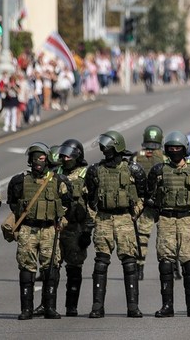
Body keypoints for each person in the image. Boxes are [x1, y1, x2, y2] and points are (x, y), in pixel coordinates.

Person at [6, 142, 73, 320]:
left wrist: (61, 221)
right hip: (28, 229)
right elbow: (13, 202)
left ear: (48, 160)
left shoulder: (59, 181)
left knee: (51, 268)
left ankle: (49, 307)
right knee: (26, 268)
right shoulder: (19, 181)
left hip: (50, 229)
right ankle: (26, 309)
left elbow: (67, 203)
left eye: (42, 158)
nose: (38, 162)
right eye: (35, 158)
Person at [84, 130, 147, 318]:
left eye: (108, 147)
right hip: (103, 219)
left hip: (125, 219)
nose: (104, 151)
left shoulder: (133, 170)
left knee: (129, 263)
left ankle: (133, 306)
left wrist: (133, 215)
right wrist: (94, 218)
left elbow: (143, 196)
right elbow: (90, 197)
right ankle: (97, 306)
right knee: (101, 263)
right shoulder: (95, 170)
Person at [146, 131, 190, 317]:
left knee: (189, 262)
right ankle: (167, 306)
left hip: (187, 219)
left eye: (178, 148)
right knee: (165, 262)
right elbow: (149, 195)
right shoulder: (158, 171)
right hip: (166, 219)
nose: (174, 151)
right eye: (171, 148)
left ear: (184, 149)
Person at [56, 139, 91, 316]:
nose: (65, 158)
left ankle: (71, 306)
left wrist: (88, 230)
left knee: (74, 268)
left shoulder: (86, 175)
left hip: (76, 227)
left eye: (68, 155)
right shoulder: (55, 172)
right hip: (55, 228)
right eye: (63, 155)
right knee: (51, 267)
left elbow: (92, 204)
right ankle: (48, 305)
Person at [133, 125, 165, 281]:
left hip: (143, 202)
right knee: (167, 237)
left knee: (142, 236)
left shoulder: (136, 156)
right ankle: (173, 267)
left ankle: (140, 267)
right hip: (162, 203)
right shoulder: (165, 158)